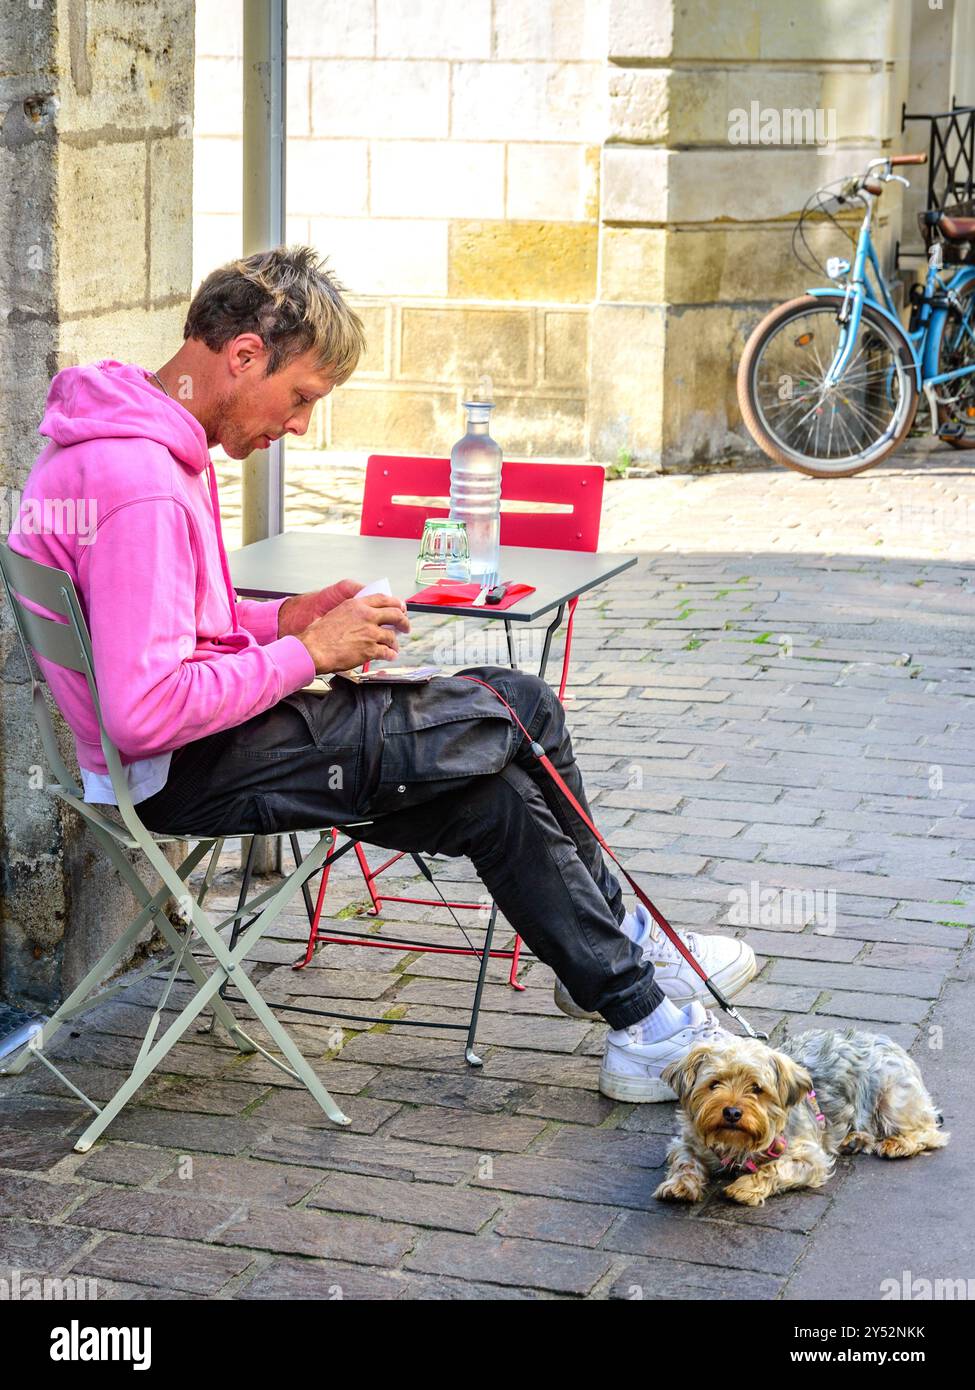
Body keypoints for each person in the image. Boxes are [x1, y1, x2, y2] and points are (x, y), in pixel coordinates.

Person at [10, 245, 757, 1103]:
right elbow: (147, 709)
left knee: (493, 799)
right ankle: (624, 945)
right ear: (245, 354)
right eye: (301, 399)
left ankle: (636, 1016)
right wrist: (310, 654)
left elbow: (163, 634)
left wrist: (281, 620)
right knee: (515, 705)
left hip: (175, 758)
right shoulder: (141, 479)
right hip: (189, 766)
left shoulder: (114, 438)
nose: (297, 426)